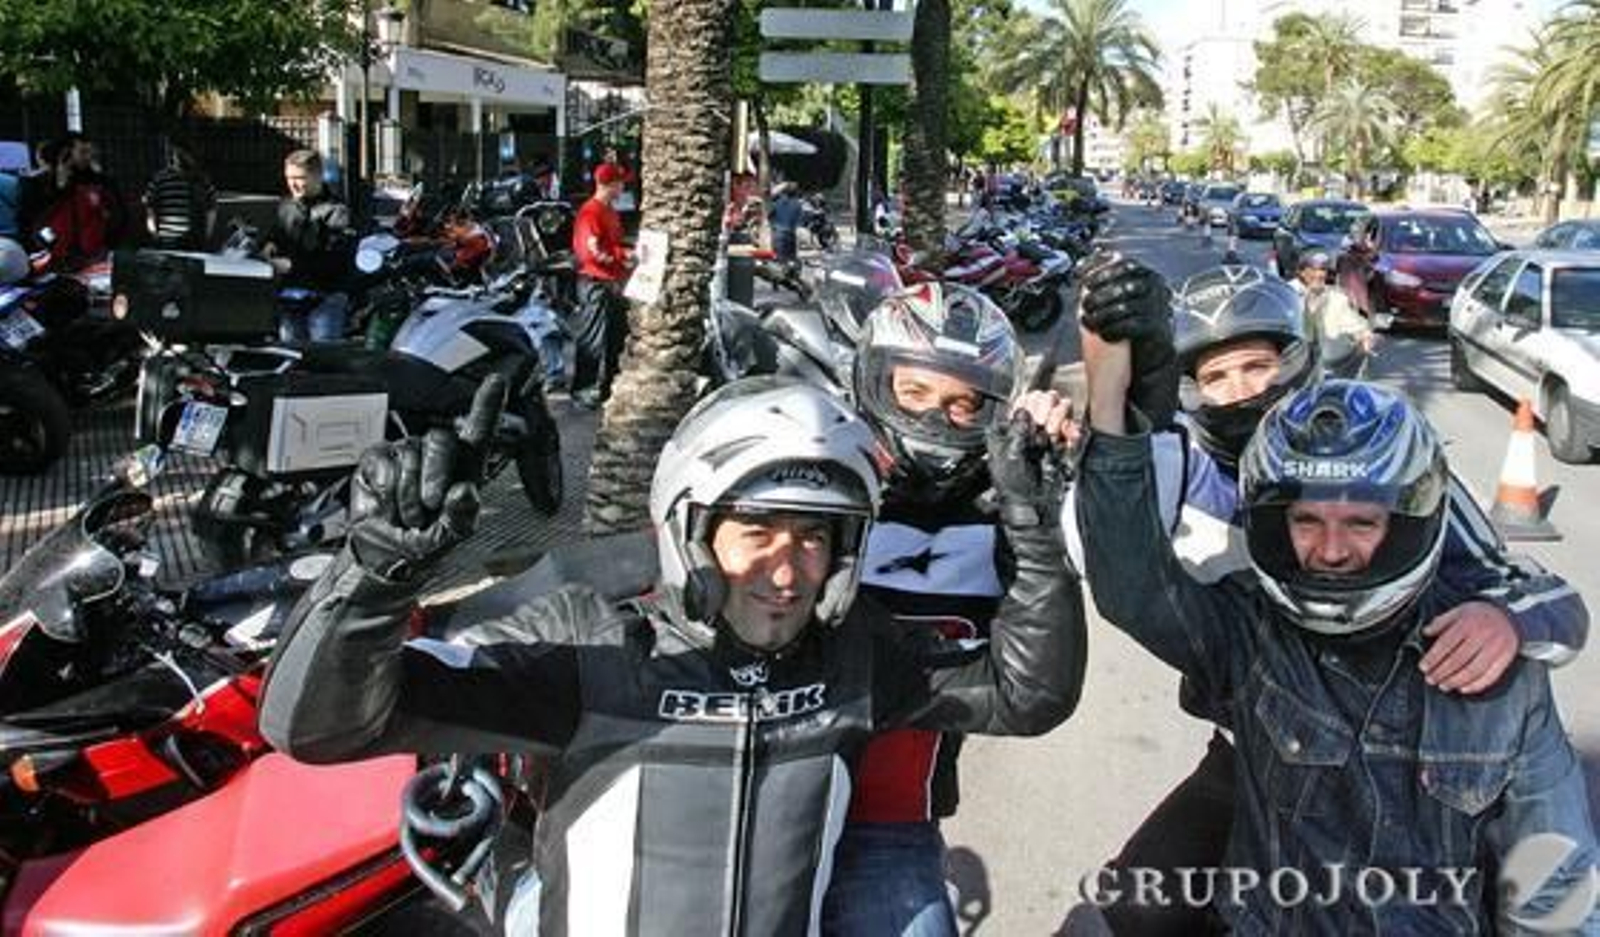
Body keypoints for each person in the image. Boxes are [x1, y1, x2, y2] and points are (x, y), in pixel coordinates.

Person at [258, 374, 1087, 936]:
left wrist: (1034, 532)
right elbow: (318, 729)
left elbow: (1025, 694)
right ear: (691, 531)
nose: (786, 571)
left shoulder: (855, 653)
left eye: (812, 538)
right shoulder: (588, 642)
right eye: (755, 531)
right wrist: (372, 572)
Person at [1062, 257, 1591, 935]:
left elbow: (1560, 891)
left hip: (1420, 735)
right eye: (1303, 519)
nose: (1331, 548)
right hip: (1256, 740)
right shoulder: (1179, 458)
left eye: (1254, 366)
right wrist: (1118, 401)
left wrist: (1508, 621)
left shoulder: (1390, 461)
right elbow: (1117, 570)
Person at [820, 282, 1088, 937]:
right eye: (915, 392)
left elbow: (1039, 685)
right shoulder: (813, 474)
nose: (938, 416)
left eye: (964, 402)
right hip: (747, 792)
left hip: (886, 823)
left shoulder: (1003, 510)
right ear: (872, 382)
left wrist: (1034, 508)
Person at [261, 149, 354, 344]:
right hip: (290, 297)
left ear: (318, 176)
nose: (293, 184)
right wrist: (269, 244)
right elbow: (277, 234)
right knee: (292, 360)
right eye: (289, 178)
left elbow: (335, 261)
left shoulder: (338, 212)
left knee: (324, 361)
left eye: (299, 178)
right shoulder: (286, 206)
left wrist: (291, 265)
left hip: (325, 296)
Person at [569, 161, 631, 409]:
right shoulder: (591, 212)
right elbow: (591, 253)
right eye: (620, 182)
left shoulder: (609, 211)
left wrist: (624, 255)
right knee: (592, 339)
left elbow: (609, 245)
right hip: (595, 283)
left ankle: (607, 386)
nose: (623, 186)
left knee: (615, 338)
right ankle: (583, 389)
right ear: (610, 184)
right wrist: (623, 257)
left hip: (612, 282)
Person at [30, 132, 125, 269]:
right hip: (54, 256)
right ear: (66, 154)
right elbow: (34, 219)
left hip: (95, 254)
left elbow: (118, 215)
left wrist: (109, 243)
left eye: (90, 152)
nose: (88, 157)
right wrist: (59, 188)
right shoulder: (42, 183)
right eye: (83, 152)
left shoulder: (100, 182)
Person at [1289, 251, 1373, 378]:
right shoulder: (1290, 292)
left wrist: (1363, 335)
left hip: (1329, 362)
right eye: (1312, 269)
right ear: (1301, 272)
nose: (1319, 274)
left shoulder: (1336, 297)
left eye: (1323, 270)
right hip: (1294, 361)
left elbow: (1351, 321)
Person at [143, 143, 217, 251]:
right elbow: (150, 207)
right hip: (174, 239)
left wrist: (154, 232)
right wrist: (207, 234)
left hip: (186, 240)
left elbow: (150, 206)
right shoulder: (160, 178)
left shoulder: (200, 179)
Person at [769, 181, 804, 263]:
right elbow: (799, 222)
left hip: (777, 234)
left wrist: (773, 226)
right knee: (790, 260)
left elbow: (770, 216)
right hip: (789, 235)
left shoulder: (778, 202)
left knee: (777, 260)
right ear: (796, 193)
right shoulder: (797, 204)